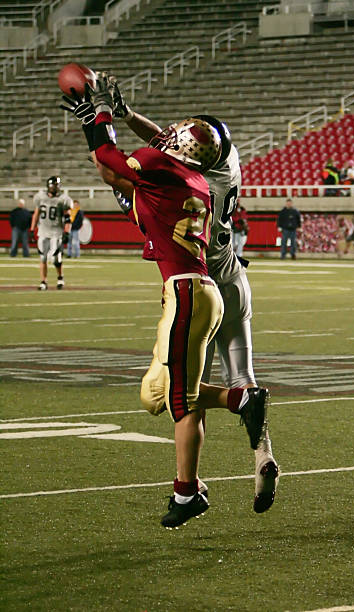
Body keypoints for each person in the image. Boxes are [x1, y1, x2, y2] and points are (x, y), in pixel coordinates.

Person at [61, 75, 271, 528]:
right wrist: (128, 118)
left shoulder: (162, 178)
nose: (170, 136)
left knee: (182, 399)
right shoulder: (205, 176)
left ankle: (187, 491)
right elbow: (161, 156)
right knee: (155, 395)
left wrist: (95, 116)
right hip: (218, 280)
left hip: (189, 289)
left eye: (178, 136)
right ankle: (242, 404)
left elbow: (112, 166)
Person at [30, 176, 72, 290]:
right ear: (48, 186)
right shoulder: (40, 197)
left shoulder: (63, 199)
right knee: (43, 258)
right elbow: (36, 214)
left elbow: (68, 217)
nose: (55, 187)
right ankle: (43, 281)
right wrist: (32, 229)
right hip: (43, 231)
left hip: (56, 232)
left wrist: (67, 232)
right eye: (53, 185)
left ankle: (60, 277)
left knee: (55, 259)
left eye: (57, 185)